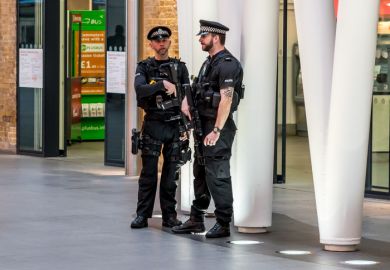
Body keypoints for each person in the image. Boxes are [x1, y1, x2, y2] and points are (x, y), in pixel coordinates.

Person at [172, 20, 243, 238]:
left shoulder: (228, 64)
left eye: (203, 36)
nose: (200, 39)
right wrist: (186, 102)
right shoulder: (208, 63)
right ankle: (196, 219)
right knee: (200, 173)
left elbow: (226, 100)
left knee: (218, 175)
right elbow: (196, 92)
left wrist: (217, 130)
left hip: (217, 129)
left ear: (216, 37)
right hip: (202, 127)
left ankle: (222, 223)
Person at [131, 26, 190, 229]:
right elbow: (140, 90)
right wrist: (162, 84)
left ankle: (169, 216)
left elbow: (186, 97)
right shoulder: (144, 67)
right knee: (148, 174)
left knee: (170, 175)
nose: (161, 42)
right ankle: (142, 215)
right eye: (157, 40)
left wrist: (185, 127)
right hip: (153, 124)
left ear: (169, 42)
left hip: (174, 125)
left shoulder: (180, 68)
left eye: (165, 39)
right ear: (151, 44)